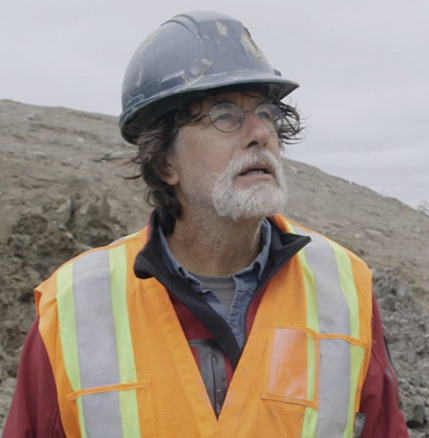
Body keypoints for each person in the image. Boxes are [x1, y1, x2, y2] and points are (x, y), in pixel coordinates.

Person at [3, 11, 408, 437]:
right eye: (225, 115)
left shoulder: (344, 290)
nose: (260, 133)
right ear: (165, 162)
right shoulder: (74, 306)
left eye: (267, 113)